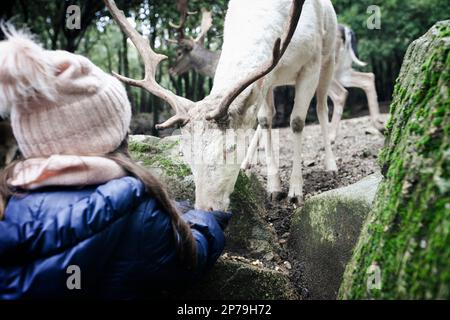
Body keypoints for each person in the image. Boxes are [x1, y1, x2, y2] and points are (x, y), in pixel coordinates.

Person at [0, 26, 230, 299]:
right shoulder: (141, 212)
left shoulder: (8, 200)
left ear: (30, 141)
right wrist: (206, 220)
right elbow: (191, 258)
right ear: (117, 134)